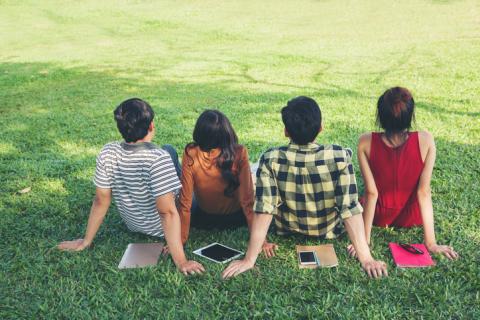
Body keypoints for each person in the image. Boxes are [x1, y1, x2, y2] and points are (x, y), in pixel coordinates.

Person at [222, 96, 388, 279]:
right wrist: (366, 258)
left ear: (286, 131)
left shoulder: (270, 158)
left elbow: (265, 210)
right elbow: (349, 208)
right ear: (321, 127)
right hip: (329, 231)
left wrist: (249, 259)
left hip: (287, 229)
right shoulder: (340, 156)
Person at [58, 98, 205, 275]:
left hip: (134, 224)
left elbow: (100, 201)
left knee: (169, 150)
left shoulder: (108, 152)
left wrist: (85, 242)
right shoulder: (158, 159)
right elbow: (167, 212)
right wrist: (181, 261)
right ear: (151, 126)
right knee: (199, 191)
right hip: (161, 228)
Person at [347, 87, 458, 260]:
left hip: (379, 216)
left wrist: (365, 240)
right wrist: (431, 243)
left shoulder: (365, 141)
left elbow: (371, 193)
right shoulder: (426, 140)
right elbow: (424, 192)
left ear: (380, 116)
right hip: (412, 217)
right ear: (410, 115)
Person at [179, 110, 276, 256]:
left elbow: (185, 203)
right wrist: (262, 241)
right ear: (228, 132)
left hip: (203, 219)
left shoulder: (190, 152)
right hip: (237, 218)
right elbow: (247, 201)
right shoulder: (239, 152)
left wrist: (180, 240)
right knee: (254, 180)